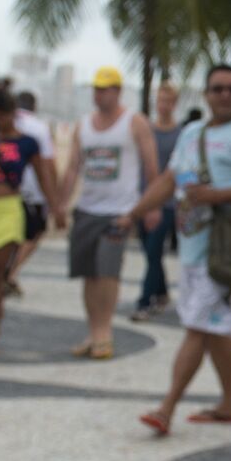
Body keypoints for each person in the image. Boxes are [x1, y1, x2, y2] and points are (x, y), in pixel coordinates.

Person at [120, 65, 231, 435]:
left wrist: (217, 195)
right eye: (218, 89)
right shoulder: (192, 132)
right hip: (193, 248)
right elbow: (169, 180)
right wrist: (133, 214)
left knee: (197, 326)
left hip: (223, 251)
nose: (225, 95)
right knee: (214, 330)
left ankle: (166, 407)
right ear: (206, 94)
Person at [58, 67, 160, 359]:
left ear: (118, 90)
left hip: (119, 211)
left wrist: (150, 206)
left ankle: (105, 333)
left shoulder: (134, 122)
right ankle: (93, 332)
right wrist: (62, 204)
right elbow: (73, 167)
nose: (100, 94)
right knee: (88, 274)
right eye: (97, 89)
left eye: (106, 88)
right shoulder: (83, 125)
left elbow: (151, 166)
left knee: (107, 272)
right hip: (87, 208)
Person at [0, 87, 64, 355]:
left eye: (3, 115)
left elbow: (44, 176)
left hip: (9, 209)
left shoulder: (27, 142)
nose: (0, 120)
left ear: (12, 113)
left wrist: (56, 208)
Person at [132, 82, 182, 321]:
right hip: (143, 199)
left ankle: (145, 302)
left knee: (153, 251)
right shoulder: (146, 130)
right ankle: (161, 292)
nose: (163, 105)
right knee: (149, 252)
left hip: (168, 203)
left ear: (175, 104)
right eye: (160, 100)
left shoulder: (180, 133)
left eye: (168, 101)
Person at [3, 90, 58, 298]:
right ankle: (10, 271)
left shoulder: (1, 125)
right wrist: (55, 198)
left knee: (12, 233)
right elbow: (48, 164)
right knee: (33, 233)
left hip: (5, 192)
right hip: (33, 191)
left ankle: (5, 271)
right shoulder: (40, 128)